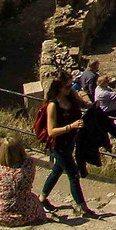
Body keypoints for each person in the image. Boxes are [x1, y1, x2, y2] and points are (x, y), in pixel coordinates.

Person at [38, 76, 93, 217]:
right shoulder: (53, 105)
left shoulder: (71, 96)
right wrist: (71, 126)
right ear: (58, 88)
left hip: (70, 142)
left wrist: (92, 106)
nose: (70, 88)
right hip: (59, 145)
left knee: (57, 171)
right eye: (67, 87)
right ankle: (82, 207)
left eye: (71, 85)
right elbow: (51, 131)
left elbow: (84, 104)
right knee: (74, 175)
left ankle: (42, 199)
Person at [0, 138, 47, 227]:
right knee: (34, 197)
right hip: (26, 214)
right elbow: (27, 158)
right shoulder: (29, 165)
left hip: (1, 216)